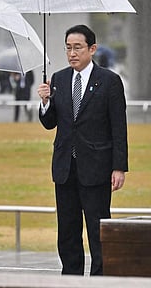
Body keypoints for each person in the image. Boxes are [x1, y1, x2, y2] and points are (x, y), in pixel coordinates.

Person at [37, 24, 128, 276]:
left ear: (92, 49)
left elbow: (118, 127)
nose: (72, 53)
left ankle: (99, 278)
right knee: (67, 229)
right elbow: (50, 122)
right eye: (68, 48)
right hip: (65, 167)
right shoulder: (59, 79)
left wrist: (119, 167)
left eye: (77, 47)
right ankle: (71, 277)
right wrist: (45, 102)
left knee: (97, 229)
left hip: (96, 168)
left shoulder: (109, 81)